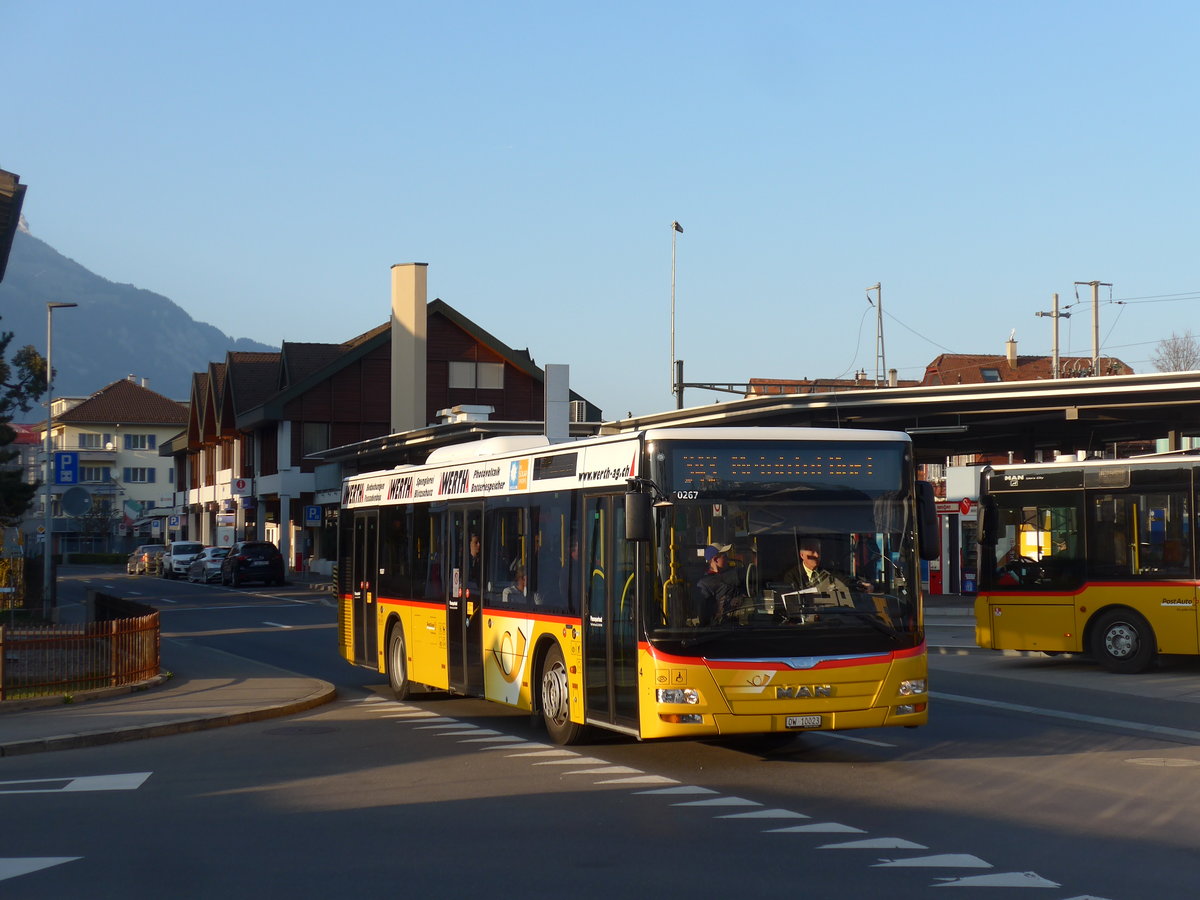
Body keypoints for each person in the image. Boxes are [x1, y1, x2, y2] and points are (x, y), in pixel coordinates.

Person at [782, 538, 853, 604]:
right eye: (812, 552)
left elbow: (846, 582)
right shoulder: (791, 576)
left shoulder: (827, 570)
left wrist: (858, 583)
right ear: (802, 555)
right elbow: (793, 601)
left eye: (818, 551)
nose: (817, 555)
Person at [694, 543, 744, 624]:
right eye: (725, 556)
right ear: (716, 559)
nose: (728, 559)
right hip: (721, 627)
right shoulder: (704, 584)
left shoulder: (734, 572)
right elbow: (704, 616)